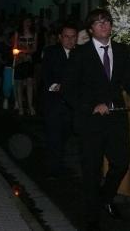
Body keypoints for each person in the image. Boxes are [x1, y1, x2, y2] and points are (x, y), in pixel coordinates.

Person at [65, 8, 130, 231]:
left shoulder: (122, 51)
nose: (104, 26)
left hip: (116, 118)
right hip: (90, 121)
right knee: (92, 169)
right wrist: (92, 106)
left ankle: (104, 198)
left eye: (107, 22)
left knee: (122, 161)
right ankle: (92, 215)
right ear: (91, 29)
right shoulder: (80, 54)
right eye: (98, 23)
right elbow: (68, 90)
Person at [41, 22, 78, 179]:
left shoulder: (80, 53)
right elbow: (46, 76)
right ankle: (52, 169)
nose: (70, 40)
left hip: (72, 105)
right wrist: (59, 86)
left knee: (65, 136)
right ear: (60, 38)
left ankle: (60, 165)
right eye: (66, 37)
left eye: (73, 37)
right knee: (53, 137)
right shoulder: (51, 52)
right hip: (54, 102)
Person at [13, 16, 38, 116]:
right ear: (22, 22)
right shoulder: (18, 33)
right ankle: (20, 107)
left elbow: (35, 48)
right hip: (20, 60)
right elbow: (14, 48)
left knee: (29, 83)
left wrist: (26, 54)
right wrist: (21, 54)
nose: (28, 23)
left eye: (29, 21)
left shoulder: (34, 34)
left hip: (29, 60)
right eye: (26, 21)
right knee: (19, 84)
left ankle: (30, 106)